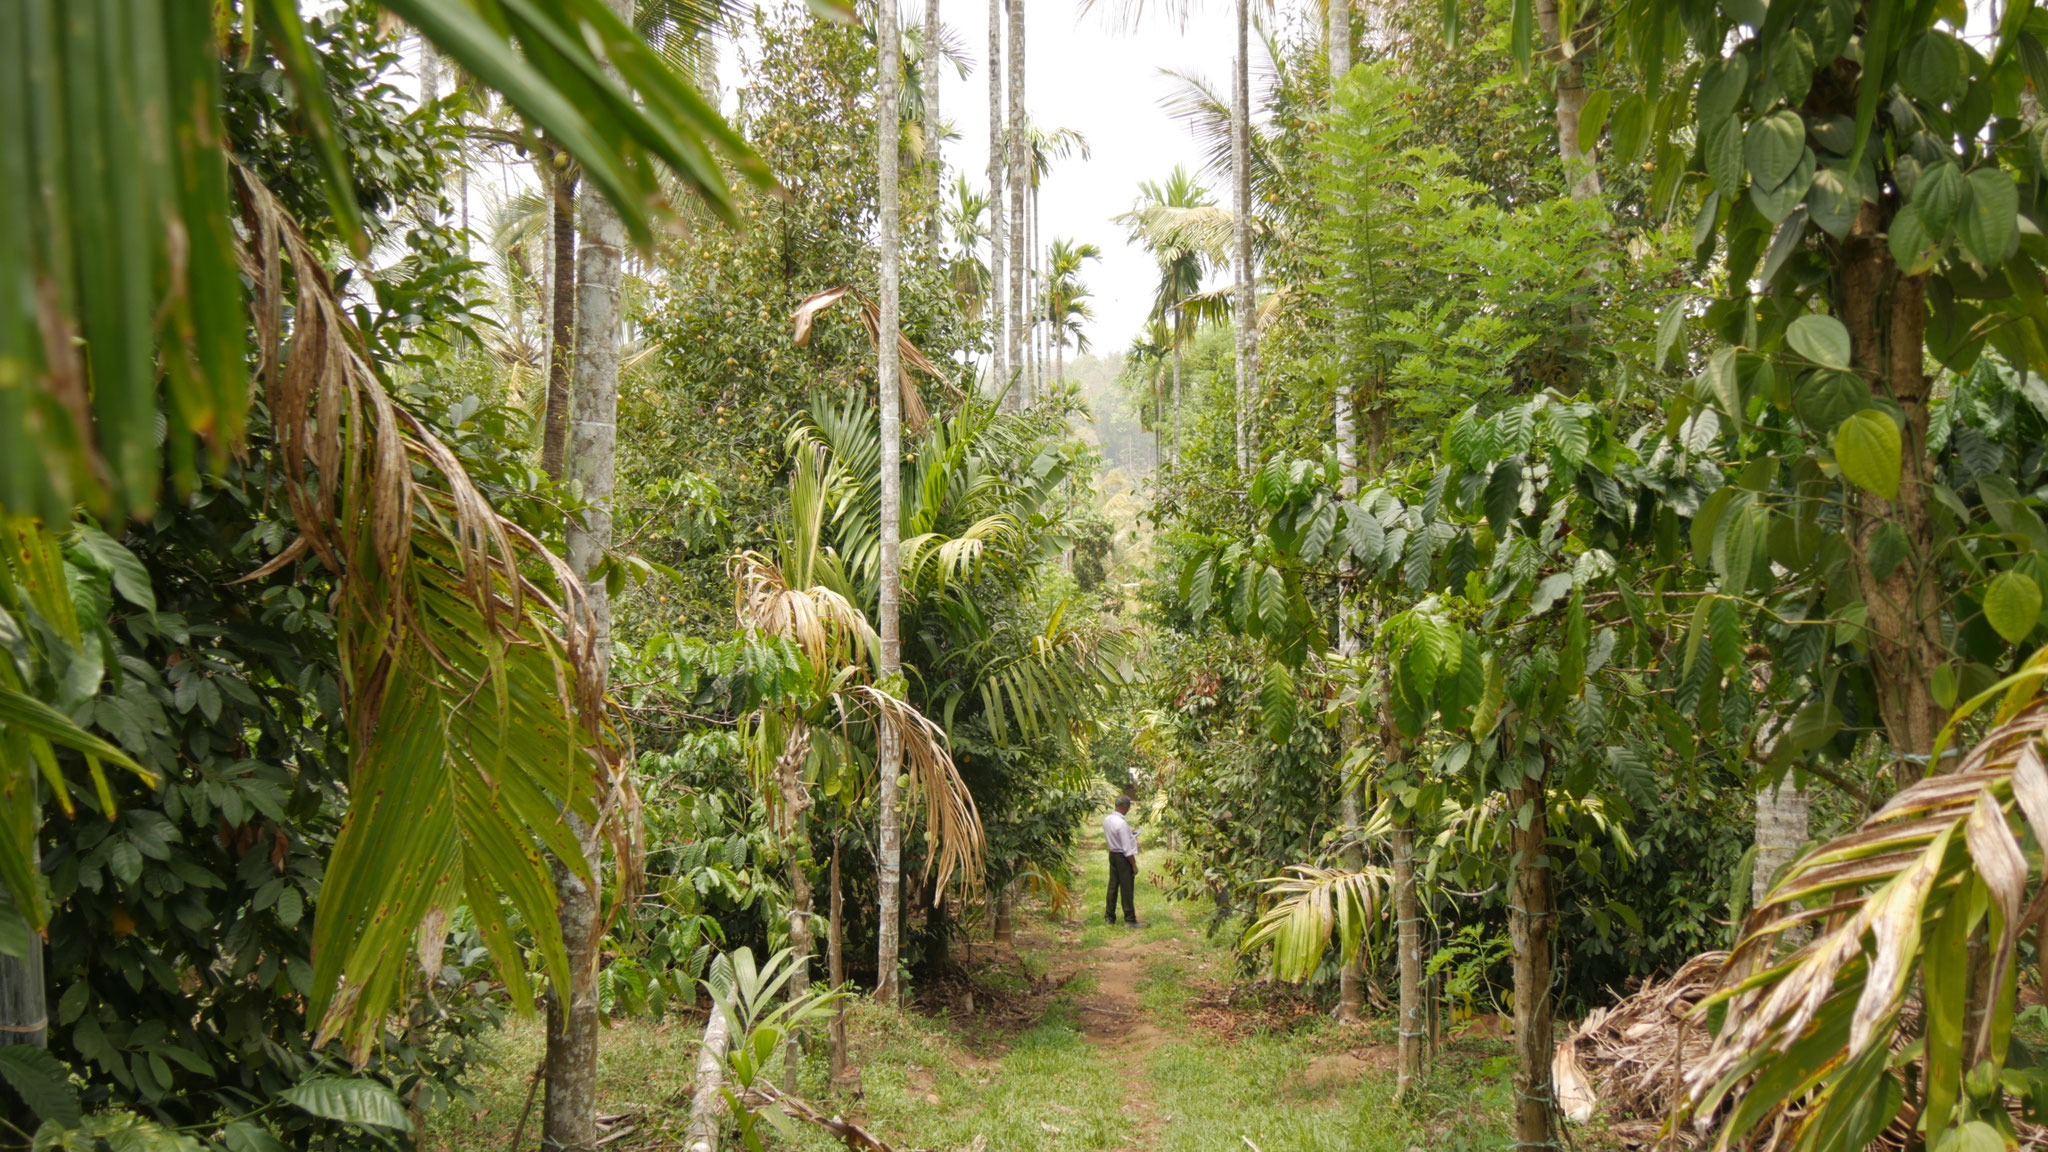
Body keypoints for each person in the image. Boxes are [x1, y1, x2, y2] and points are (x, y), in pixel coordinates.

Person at [1103, 796, 1144, 928]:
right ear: (1125, 807)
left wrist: (1129, 834)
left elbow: (1116, 836)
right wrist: (1134, 865)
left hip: (1113, 854)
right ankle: (1130, 919)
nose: (1128, 810)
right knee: (1127, 888)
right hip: (1122, 857)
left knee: (1113, 886)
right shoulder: (1121, 823)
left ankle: (1109, 917)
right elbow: (1127, 849)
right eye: (1128, 808)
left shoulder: (1108, 819)